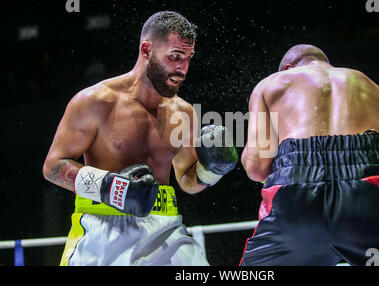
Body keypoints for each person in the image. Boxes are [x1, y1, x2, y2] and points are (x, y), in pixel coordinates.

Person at [42, 11, 237, 266]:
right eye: (175, 57)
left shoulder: (184, 113)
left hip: (166, 227)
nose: (183, 68)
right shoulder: (95, 101)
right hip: (102, 227)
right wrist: (110, 187)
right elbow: (53, 167)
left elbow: (187, 179)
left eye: (188, 58)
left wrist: (212, 169)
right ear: (147, 50)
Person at [239, 44, 379, 266]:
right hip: (370, 187)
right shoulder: (371, 86)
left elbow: (257, 168)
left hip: (296, 192)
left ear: (288, 68)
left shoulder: (271, 83)